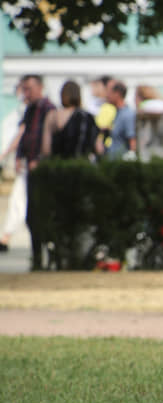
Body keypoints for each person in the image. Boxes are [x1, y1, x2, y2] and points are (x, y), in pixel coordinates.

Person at [16, 74, 56, 269]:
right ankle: (37, 255)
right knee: (31, 215)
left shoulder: (49, 109)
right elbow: (25, 134)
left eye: (29, 89)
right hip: (30, 167)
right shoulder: (30, 110)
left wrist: (40, 160)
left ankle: (49, 256)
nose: (26, 93)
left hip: (43, 169)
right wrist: (18, 156)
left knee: (43, 214)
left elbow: (49, 139)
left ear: (40, 87)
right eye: (24, 89)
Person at [41, 80, 100, 160]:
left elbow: (46, 150)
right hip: (81, 167)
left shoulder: (52, 115)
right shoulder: (87, 117)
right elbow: (99, 148)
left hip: (57, 166)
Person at [0, 81, 28, 253]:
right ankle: (6, 235)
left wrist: (5, 154)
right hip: (21, 162)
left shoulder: (26, 111)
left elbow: (19, 135)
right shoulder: (19, 111)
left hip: (25, 163)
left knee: (19, 200)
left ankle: (6, 235)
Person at [104, 80, 136, 159]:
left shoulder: (127, 114)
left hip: (121, 163)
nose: (106, 95)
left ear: (117, 93)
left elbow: (132, 140)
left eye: (109, 92)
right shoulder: (118, 113)